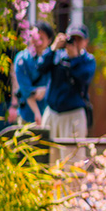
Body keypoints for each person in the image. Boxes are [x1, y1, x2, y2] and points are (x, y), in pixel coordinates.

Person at [37, 23, 97, 164]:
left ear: (86, 42)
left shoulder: (87, 60)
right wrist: (52, 49)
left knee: (72, 163)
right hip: (52, 113)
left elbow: (83, 78)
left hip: (73, 115)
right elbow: (40, 68)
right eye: (72, 39)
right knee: (47, 161)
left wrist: (74, 58)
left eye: (79, 39)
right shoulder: (57, 55)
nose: (74, 43)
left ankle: (75, 187)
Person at [13, 21, 55, 125]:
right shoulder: (22, 59)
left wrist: (45, 90)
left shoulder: (53, 58)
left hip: (50, 115)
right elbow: (25, 89)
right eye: (35, 38)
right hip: (27, 115)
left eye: (42, 39)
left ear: (49, 40)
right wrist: (37, 92)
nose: (37, 42)